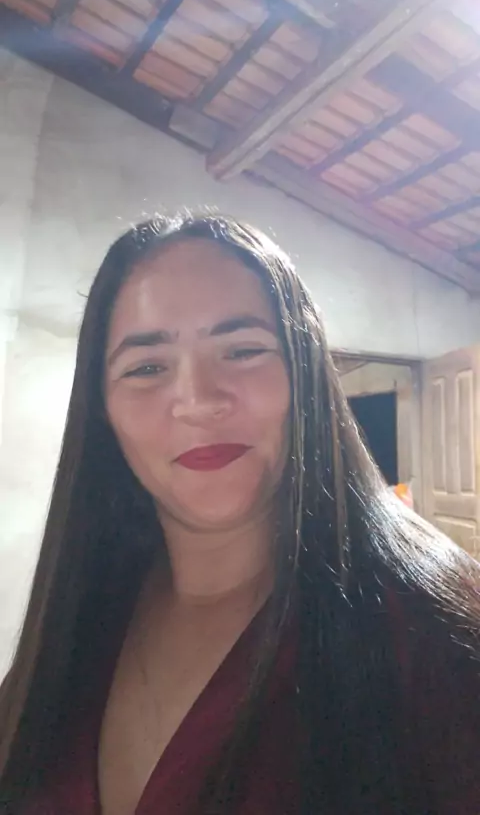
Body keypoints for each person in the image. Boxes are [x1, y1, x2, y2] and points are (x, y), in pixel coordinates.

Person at [1, 213, 479, 815]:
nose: (199, 400)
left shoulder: (433, 625)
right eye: (147, 367)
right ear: (101, 409)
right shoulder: (81, 610)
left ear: (305, 376)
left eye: (243, 350)